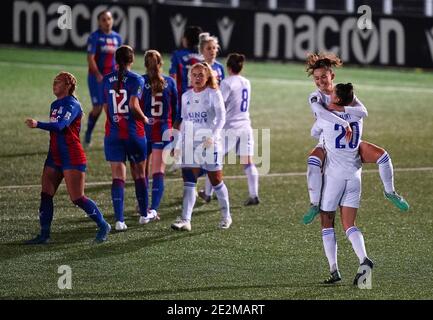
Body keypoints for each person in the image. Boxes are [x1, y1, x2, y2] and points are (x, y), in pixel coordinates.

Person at [302, 52, 409, 225]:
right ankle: (314, 204)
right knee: (313, 161)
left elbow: (363, 112)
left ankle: (390, 192)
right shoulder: (315, 96)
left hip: (351, 142)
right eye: (316, 78)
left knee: (382, 156)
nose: (320, 81)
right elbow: (321, 113)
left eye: (323, 77)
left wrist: (342, 111)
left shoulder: (343, 92)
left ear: (332, 76)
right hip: (326, 141)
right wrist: (344, 123)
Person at [25, 72, 111, 244]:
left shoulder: (73, 105)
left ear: (68, 85)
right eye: (53, 82)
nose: (54, 85)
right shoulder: (54, 104)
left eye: (58, 82)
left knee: (77, 198)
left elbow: (60, 126)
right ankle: (44, 235)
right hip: (54, 156)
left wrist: (38, 124)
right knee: (46, 194)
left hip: (72, 156)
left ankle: (103, 225)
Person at [314, 83, 374, 285]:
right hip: (355, 176)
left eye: (332, 94)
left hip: (334, 177)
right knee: (349, 224)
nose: (329, 95)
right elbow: (362, 110)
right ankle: (364, 259)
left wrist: (325, 114)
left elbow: (314, 132)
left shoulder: (326, 117)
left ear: (338, 99)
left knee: (326, 221)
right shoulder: (357, 115)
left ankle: (334, 270)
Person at [103, 45, 158, 231]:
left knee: (118, 177)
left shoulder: (106, 79)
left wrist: (114, 120)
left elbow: (106, 107)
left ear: (116, 60)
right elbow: (134, 105)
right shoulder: (137, 79)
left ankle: (119, 220)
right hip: (134, 134)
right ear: (131, 60)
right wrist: (144, 118)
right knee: (139, 174)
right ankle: (144, 215)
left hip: (113, 134)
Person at [171, 62, 232, 231]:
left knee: (216, 180)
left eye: (201, 75)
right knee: (189, 181)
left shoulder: (213, 94)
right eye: (194, 75)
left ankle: (226, 216)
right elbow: (184, 122)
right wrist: (178, 144)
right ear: (190, 77)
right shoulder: (186, 96)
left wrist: (213, 136)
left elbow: (221, 119)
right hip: (191, 143)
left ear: (207, 77)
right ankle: (185, 220)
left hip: (210, 144)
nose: (197, 78)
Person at [199, 53, 259, 205]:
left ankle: (207, 193)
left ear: (228, 67)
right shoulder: (246, 82)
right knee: (248, 162)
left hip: (230, 127)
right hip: (245, 125)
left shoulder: (227, 83)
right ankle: (254, 195)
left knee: (212, 159)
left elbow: (220, 104)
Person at [140, 50, 179, 218]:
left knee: (141, 173)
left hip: (143, 131)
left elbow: (134, 108)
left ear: (145, 65)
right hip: (163, 132)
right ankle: (153, 209)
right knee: (158, 172)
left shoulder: (139, 81)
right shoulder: (170, 82)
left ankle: (143, 205)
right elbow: (177, 112)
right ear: (161, 64)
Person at [84, 10, 122, 147]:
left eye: (109, 19)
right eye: (104, 19)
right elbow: (90, 58)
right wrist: (98, 74)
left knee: (113, 109)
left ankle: (114, 139)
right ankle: (88, 133)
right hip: (96, 78)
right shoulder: (95, 37)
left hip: (111, 79)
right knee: (98, 108)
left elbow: (119, 59)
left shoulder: (117, 38)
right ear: (99, 22)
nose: (107, 22)